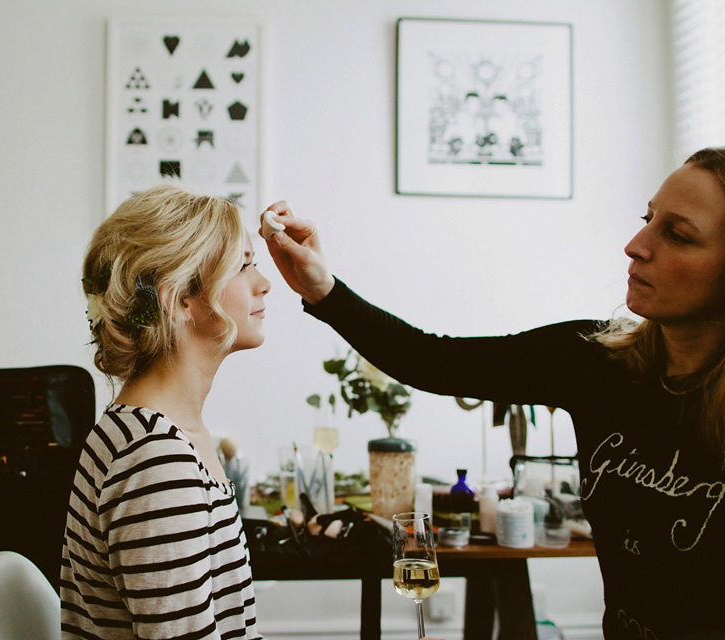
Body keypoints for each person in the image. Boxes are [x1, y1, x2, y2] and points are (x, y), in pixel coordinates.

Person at [260, 148, 725, 640]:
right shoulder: (597, 358)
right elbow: (429, 359)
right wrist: (322, 288)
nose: (635, 245)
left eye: (676, 234)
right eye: (646, 219)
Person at [61, 184, 269, 639]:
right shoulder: (156, 460)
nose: (264, 283)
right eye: (243, 267)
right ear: (180, 300)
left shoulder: (154, 430)